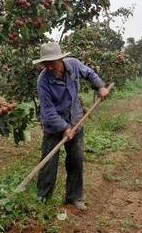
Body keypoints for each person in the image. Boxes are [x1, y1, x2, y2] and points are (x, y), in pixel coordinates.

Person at [33, 41, 109, 211]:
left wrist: (100, 87)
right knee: (48, 164)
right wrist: (64, 128)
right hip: (53, 127)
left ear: (60, 59)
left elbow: (89, 74)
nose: (49, 67)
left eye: (52, 63)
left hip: (76, 120)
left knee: (76, 160)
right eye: (46, 64)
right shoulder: (43, 80)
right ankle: (42, 200)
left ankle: (73, 197)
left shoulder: (73, 65)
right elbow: (48, 111)